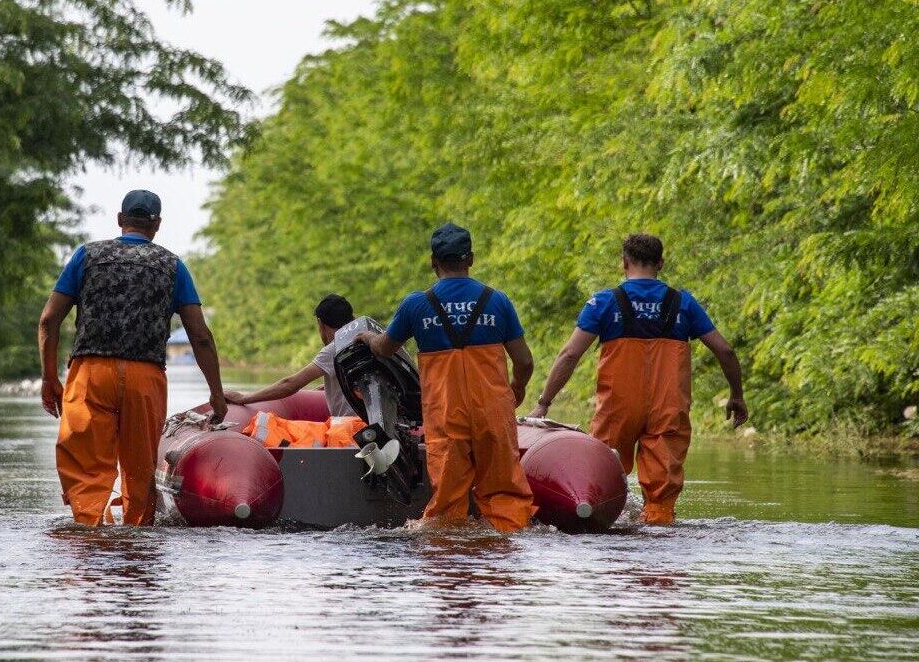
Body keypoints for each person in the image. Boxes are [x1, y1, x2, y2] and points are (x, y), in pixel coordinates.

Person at [528, 232, 748, 525]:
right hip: (668, 410)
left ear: (624, 262)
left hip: (616, 411)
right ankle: (658, 541)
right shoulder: (683, 304)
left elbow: (570, 354)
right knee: (660, 503)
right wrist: (736, 395)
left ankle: (602, 533)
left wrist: (544, 402)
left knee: (599, 484)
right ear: (660, 263)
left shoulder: (605, 302)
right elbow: (725, 350)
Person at [38, 189, 227, 526]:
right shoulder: (173, 265)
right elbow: (200, 336)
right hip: (145, 375)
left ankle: (88, 537)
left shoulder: (86, 256)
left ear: (120, 219)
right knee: (140, 472)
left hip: (90, 372)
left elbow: (49, 320)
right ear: (156, 225)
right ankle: (134, 551)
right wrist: (216, 393)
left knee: (86, 469)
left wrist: (50, 377)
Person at [356, 223, 538, 533]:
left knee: (447, 506)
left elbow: (385, 348)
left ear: (433, 261)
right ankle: (505, 555)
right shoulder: (497, 301)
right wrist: (517, 388)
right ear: (472, 259)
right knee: (505, 495)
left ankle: (449, 562)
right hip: (493, 410)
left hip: (446, 412)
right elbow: (524, 360)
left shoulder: (416, 304)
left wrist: (365, 337)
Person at [223, 293, 358, 418]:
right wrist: (324, 388)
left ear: (320, 324)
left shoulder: (333, 349)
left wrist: (243, 398)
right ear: (353, 318)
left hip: (350, 429)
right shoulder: (366, 338)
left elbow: (290, 384)